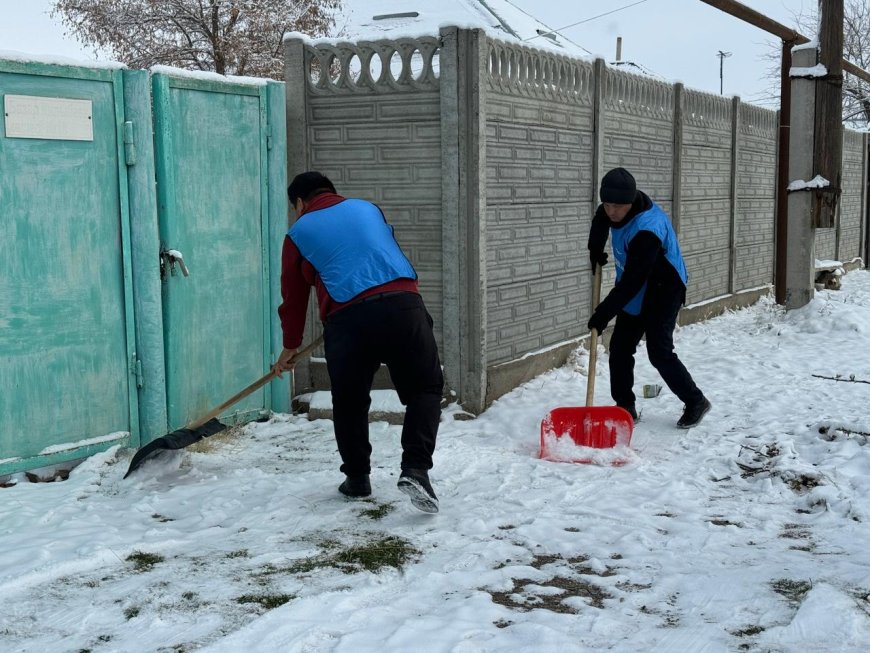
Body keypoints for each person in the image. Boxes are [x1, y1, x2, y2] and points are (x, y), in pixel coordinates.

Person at [272, 171, 444, 513]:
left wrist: (290, 348)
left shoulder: (298, 233)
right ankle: (416, 469)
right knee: (425, 388)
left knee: (349, 401)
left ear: (300, 202)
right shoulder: (368, 209)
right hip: (404, 305)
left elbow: (293, 297)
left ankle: (357, 478)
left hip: (348, 319)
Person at [586, 167, 711, 429]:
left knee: (659, 351)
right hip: (636, 284)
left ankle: (696, 401)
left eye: (617, 207)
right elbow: (600, 219)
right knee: (620, 349)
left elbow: (633, 281)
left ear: (630, 202)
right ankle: (624, 407)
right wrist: (595, 249)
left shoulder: (647, 230)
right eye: (607, 204)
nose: (611, 212)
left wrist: (603, 313)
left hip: (665, 287)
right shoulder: (613, 206)